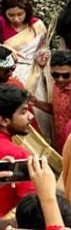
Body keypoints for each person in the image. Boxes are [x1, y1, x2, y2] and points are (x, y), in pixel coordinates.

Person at [0, 85, 35, 215]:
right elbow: (33, 206)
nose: (31, 116)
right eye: (23, 112)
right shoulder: (18, 155)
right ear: (4, 120)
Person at [0, 0, 46, 83]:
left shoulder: (37, 25)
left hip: (35, 73)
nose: (16, 19)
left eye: (20, 14)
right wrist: (5, 48)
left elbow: (44, 48)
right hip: (8, 74)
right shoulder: (1, 23)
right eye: (11, 15)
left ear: (26, 11)